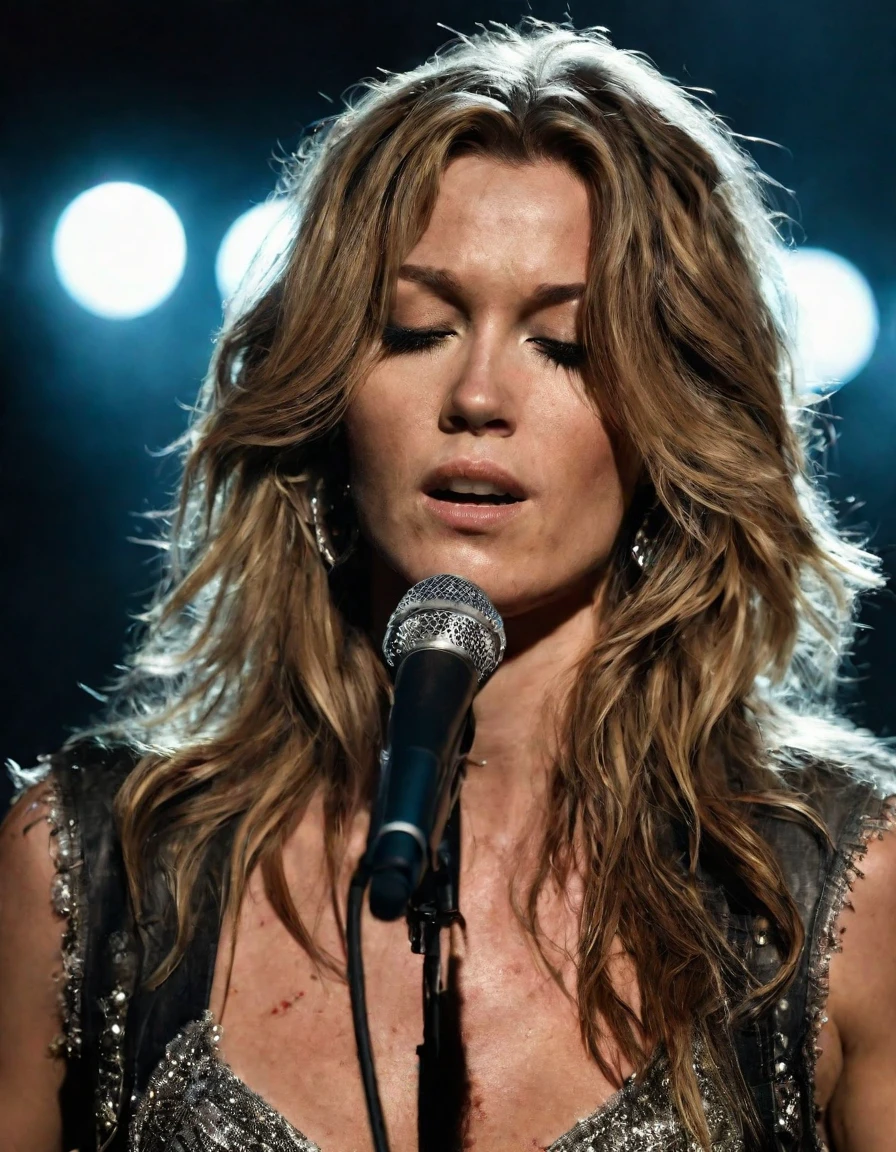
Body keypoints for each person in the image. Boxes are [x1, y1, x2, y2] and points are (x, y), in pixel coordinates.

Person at [2, 18, 895, 1152]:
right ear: (325, 388)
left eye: (563, 346)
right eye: (415, 328)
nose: (477, 393)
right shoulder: (96, 875)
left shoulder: (837, 892)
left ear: (674, 422)